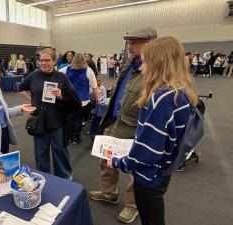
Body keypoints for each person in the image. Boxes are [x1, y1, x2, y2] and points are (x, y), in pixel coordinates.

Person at [110, 36, 197, 225]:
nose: (141, 68)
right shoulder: (180, 92)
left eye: (145, 62)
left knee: (151, 218)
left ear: (158, 63)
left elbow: (148, 153)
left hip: (149, 175)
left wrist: (118, 162)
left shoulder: (161, 98)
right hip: (164, 170)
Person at [89, 27, 157, 224]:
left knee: (133, 170)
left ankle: (132, 205)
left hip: (134, 128)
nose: (130, 45)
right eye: (129, 41)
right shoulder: (129, 66)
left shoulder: (153, 72)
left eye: (135, 42)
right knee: (107, 160)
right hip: (115, 121)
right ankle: (109, 192)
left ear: (151, 44)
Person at [18, 48, 80, 179]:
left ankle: (64, 177)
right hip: (39, 121)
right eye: (41, 60)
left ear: (54, 61)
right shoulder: (33, 76)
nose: (44, 63)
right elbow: (21, 88)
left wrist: (61, 96)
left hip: (57, 121)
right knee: (41, 153)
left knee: (60, 151)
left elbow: (74, 98)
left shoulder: (61, 77)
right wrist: (32, 99)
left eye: (47, 60)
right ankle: (43, 177)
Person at [59, 52, 100, 144]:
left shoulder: (66, 69)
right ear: (84, 59)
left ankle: (69, 137)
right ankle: (76, 137)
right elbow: (94, 86)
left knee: (69, 118)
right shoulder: (88, 70)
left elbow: (57, 75)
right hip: (83, 100)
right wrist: (97, 98)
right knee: (78, 119)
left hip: (69, 99)